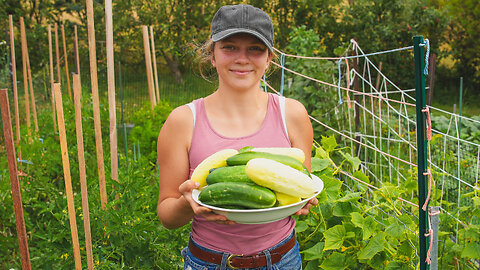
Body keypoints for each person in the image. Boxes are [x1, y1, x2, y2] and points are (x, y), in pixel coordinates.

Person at [156, 4, 317, 269]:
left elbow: (299, 188)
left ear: (269, 59)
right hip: (208, 262)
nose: (242, 58)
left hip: (283, 260)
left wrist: (303, 201)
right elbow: (166, 215)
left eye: (255, 48)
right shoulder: (182, 121)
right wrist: (188, 204)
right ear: (212, 55)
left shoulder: (293, 115)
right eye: (229, 47)